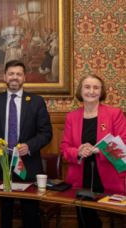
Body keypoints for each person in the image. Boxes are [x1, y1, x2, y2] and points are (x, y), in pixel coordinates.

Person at [0, 60, 52, 228]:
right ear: (4, 77)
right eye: (11, 74)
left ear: (24, 77)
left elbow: (46, 133)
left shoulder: (36, 101)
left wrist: (30, 146)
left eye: (19, 74)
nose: (15, 77)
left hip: (28, 165)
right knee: (2, 215)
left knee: (30, 215)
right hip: (1, 165)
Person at [60, 74, 126, 228]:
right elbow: (65, 147)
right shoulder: (71, 117)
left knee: (115, 220)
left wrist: (98, 150)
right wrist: (78, 151)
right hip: (80, 177)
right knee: (86, 220)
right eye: (87, 87)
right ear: (80, 91)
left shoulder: (114, 114)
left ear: (101, 92)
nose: (91, 91)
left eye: (96, 87)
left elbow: (123, 144)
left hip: (109, 176)